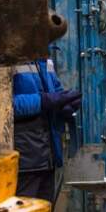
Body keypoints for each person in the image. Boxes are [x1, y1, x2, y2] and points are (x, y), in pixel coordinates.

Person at [13, 58, 81, 203]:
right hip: (24, 160)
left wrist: (65, 104)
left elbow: (55, 90)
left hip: (48, 155)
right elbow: (4, 105)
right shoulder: (7, 56)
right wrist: (43, 101)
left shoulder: (43, 57)